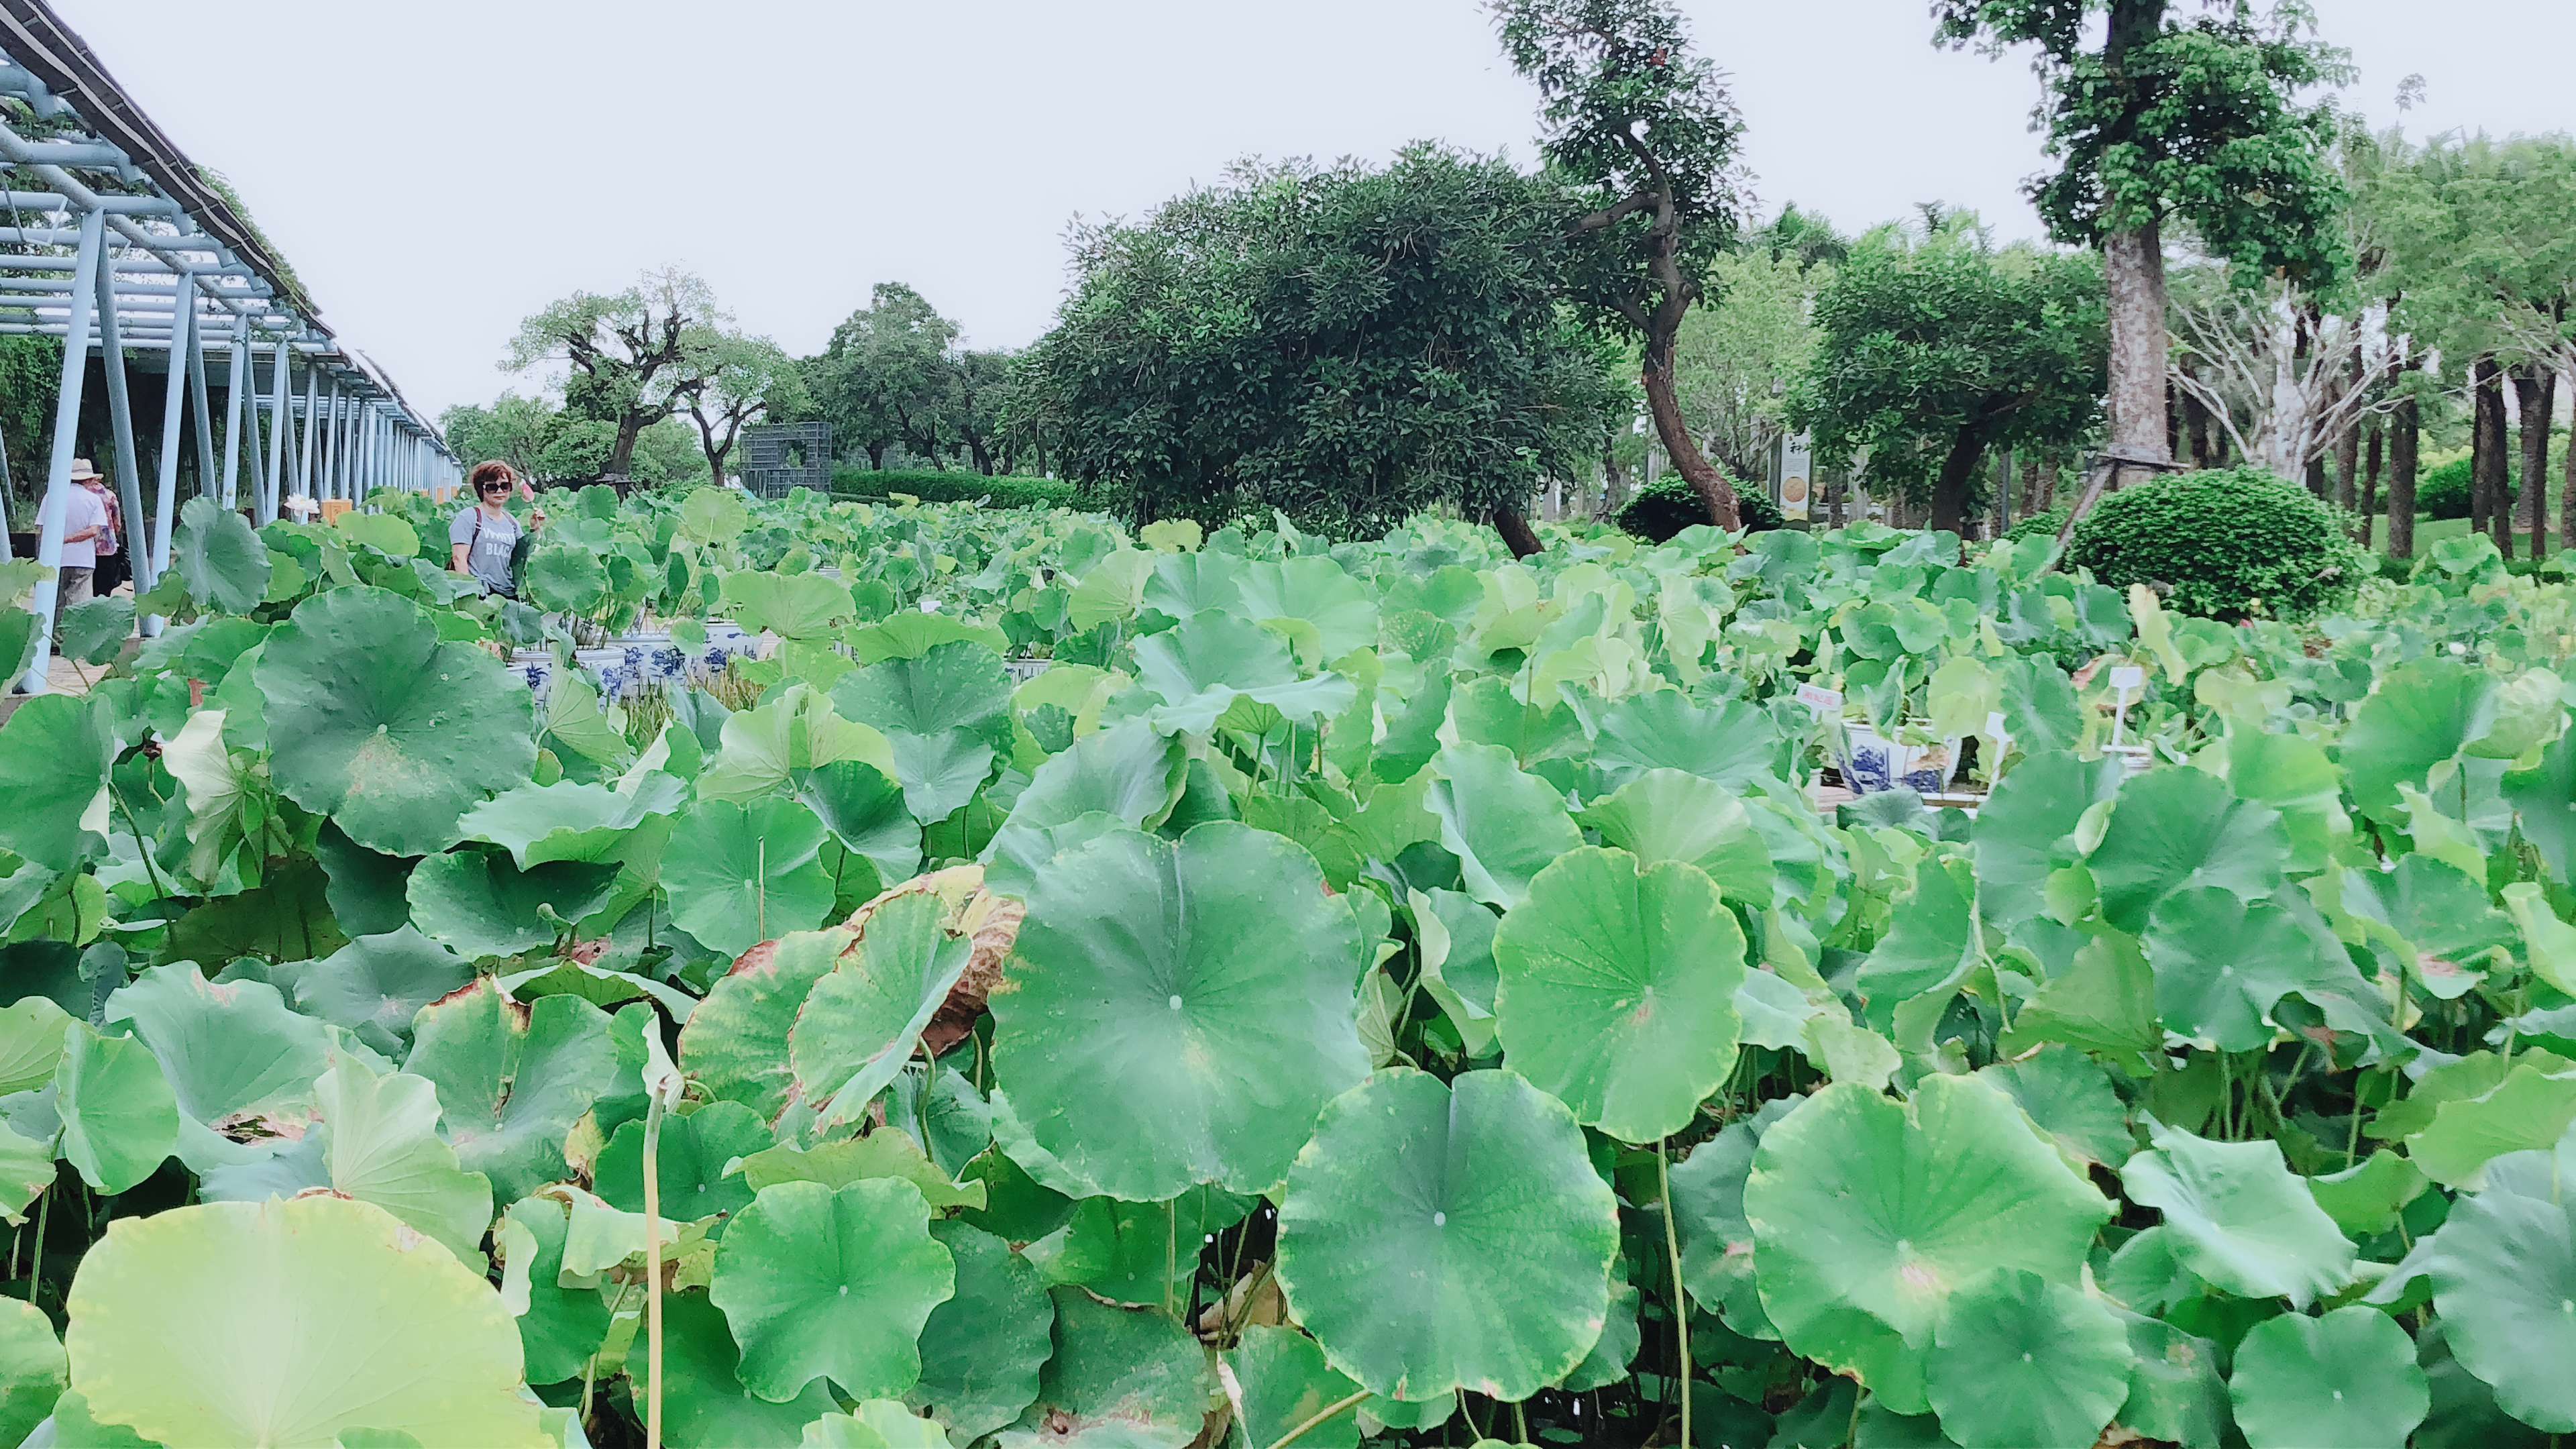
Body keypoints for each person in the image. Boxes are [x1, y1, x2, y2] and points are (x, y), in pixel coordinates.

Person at [449, 460, 542, 598]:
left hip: (507, 592)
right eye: (492, 487)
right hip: (480, 592)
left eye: (505, 486)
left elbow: (522, 556)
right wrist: (470, 594)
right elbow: (459, 558)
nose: (499, 491)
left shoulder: (512, 522)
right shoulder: (469, 517)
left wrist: (535, 529)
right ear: (482, 489)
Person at [54, 459, 109, 616]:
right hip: (83, 559)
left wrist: (59, 541)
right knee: (79, 604)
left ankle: (56, 638)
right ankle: (75, 638)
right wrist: (69, 539)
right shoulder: (93, 500)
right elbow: (93, 531)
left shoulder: (52, 497)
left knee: (58, 604)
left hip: (57, 559)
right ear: (90, 480)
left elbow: (43, 531)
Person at [79, 468, 123, 595]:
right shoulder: (110, 496)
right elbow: (117, 523)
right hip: (106, 549)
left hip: (84, 548)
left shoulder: (80, 496)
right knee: (104, 590)